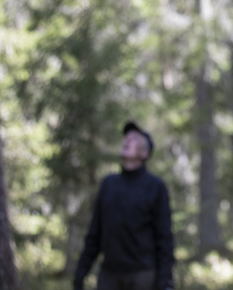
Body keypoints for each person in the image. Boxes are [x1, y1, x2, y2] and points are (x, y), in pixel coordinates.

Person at [74, 122, 175, 290]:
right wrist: (80, 273)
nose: (127, 140)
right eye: (126, 137)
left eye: (134, 139)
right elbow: (95, 233)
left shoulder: (155, 187)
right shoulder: (108, 184)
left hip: (143, 276)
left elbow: (164, 238)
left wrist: (166, 282)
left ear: (145, 153)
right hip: (109, 276)